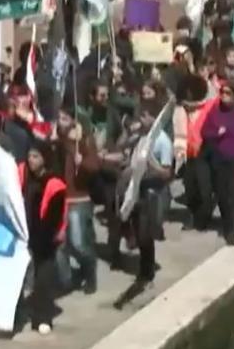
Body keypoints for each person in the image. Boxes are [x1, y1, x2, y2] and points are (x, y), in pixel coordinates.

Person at [111, 99, 173, 282]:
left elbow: (167, 174)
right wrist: (128, 132)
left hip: (150, 193)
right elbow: (121, 146)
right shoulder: (140, 136)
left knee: (145, 235)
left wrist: (153, 166)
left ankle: (147, 271)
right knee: (135, 229)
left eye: (146, 116)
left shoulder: (162, 141)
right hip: (132, 190)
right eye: (141, 116)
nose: (142, 119)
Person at [19, 141, 66, 335]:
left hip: (46, 240)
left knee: (43, 279)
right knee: (29, 279)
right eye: (30, 156)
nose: (31, 160)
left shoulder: (54, 183)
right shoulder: (26, 176)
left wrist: (39, 241)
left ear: (45, 159)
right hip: (27, 235)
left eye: (36, 156)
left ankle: (43, 317)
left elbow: (52, 220)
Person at [200, 79, 234, 246]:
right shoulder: (214, 112)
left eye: (228, 93)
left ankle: (232, 230)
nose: (224, 96)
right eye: (222, 92)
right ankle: (226, 222)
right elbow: (204, 132)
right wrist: (217, 133)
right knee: (222, 195)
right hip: (219, 159)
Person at [54, 105, 100, 294]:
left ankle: (89, 270)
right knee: (60, 245)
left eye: (65, 119)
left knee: (78, 243)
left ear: (74, 121)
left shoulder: (84, 140)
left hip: (78, 199)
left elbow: (95, 166)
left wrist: (82, 160)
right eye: (59, 118)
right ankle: (67, 280)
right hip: (59, 198)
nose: (60, 122)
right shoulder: (58, 140)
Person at [173, 74, 217, 229]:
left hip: (205, 156)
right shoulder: (180, 111)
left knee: (205, 189)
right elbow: (178, 133)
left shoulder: (210, 107)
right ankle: (195, 212)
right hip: (189, 156)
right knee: (190, 190)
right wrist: (179, 153)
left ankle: (201, 219)